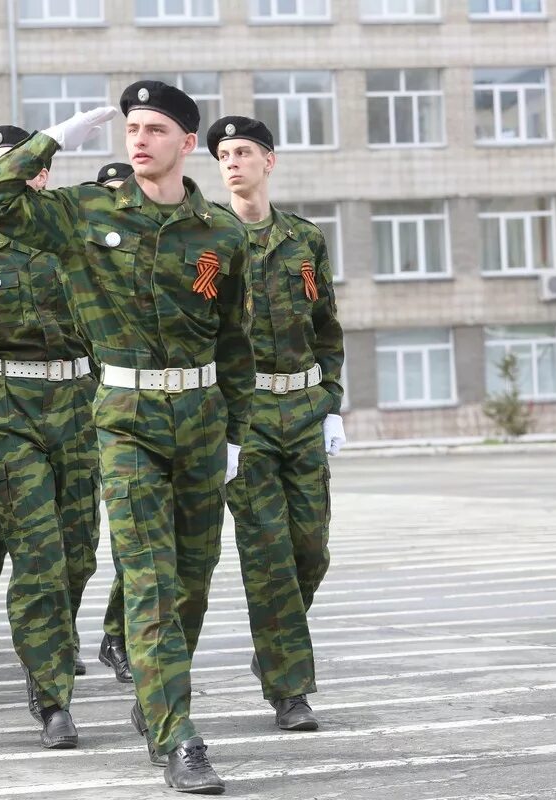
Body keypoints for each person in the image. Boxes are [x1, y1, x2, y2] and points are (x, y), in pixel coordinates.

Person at [0, 81, 255, 794]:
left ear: (189, 144)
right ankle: (177, 734)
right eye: (132, 127)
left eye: (156, 129)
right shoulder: (83, 211)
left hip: (200, 418)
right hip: (125, 420)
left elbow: (236, 340)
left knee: (191, 582)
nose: (139, 139)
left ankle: (154, 696)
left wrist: (237, 435)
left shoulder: (218, 232)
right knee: (151, 579)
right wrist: (55, 138)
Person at [0, 124, 102, 748]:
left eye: (30, 164)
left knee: (79, 550)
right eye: (5, 166)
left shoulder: (76, 245)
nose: (25, 174)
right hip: (7, 409)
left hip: (80, 403)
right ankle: (52, 690)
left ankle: (51, 644)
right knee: (37, 552)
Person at [206, 115, 345, 733]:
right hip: (245, 417)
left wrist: (333, 402)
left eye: (243, 151)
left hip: (304, 408)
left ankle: (273, 646)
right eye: (222, 154)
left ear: (270, 161)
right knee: (268, 554)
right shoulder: (203, 239)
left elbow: (327, 328)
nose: (232, 162)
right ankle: (289, 690)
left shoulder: (304, 240)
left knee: (310, 550)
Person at [91, 160, 135, 686]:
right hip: (92, 409)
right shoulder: (84, 260)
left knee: (134, 544)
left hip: (136, 414)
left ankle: (117, 633)